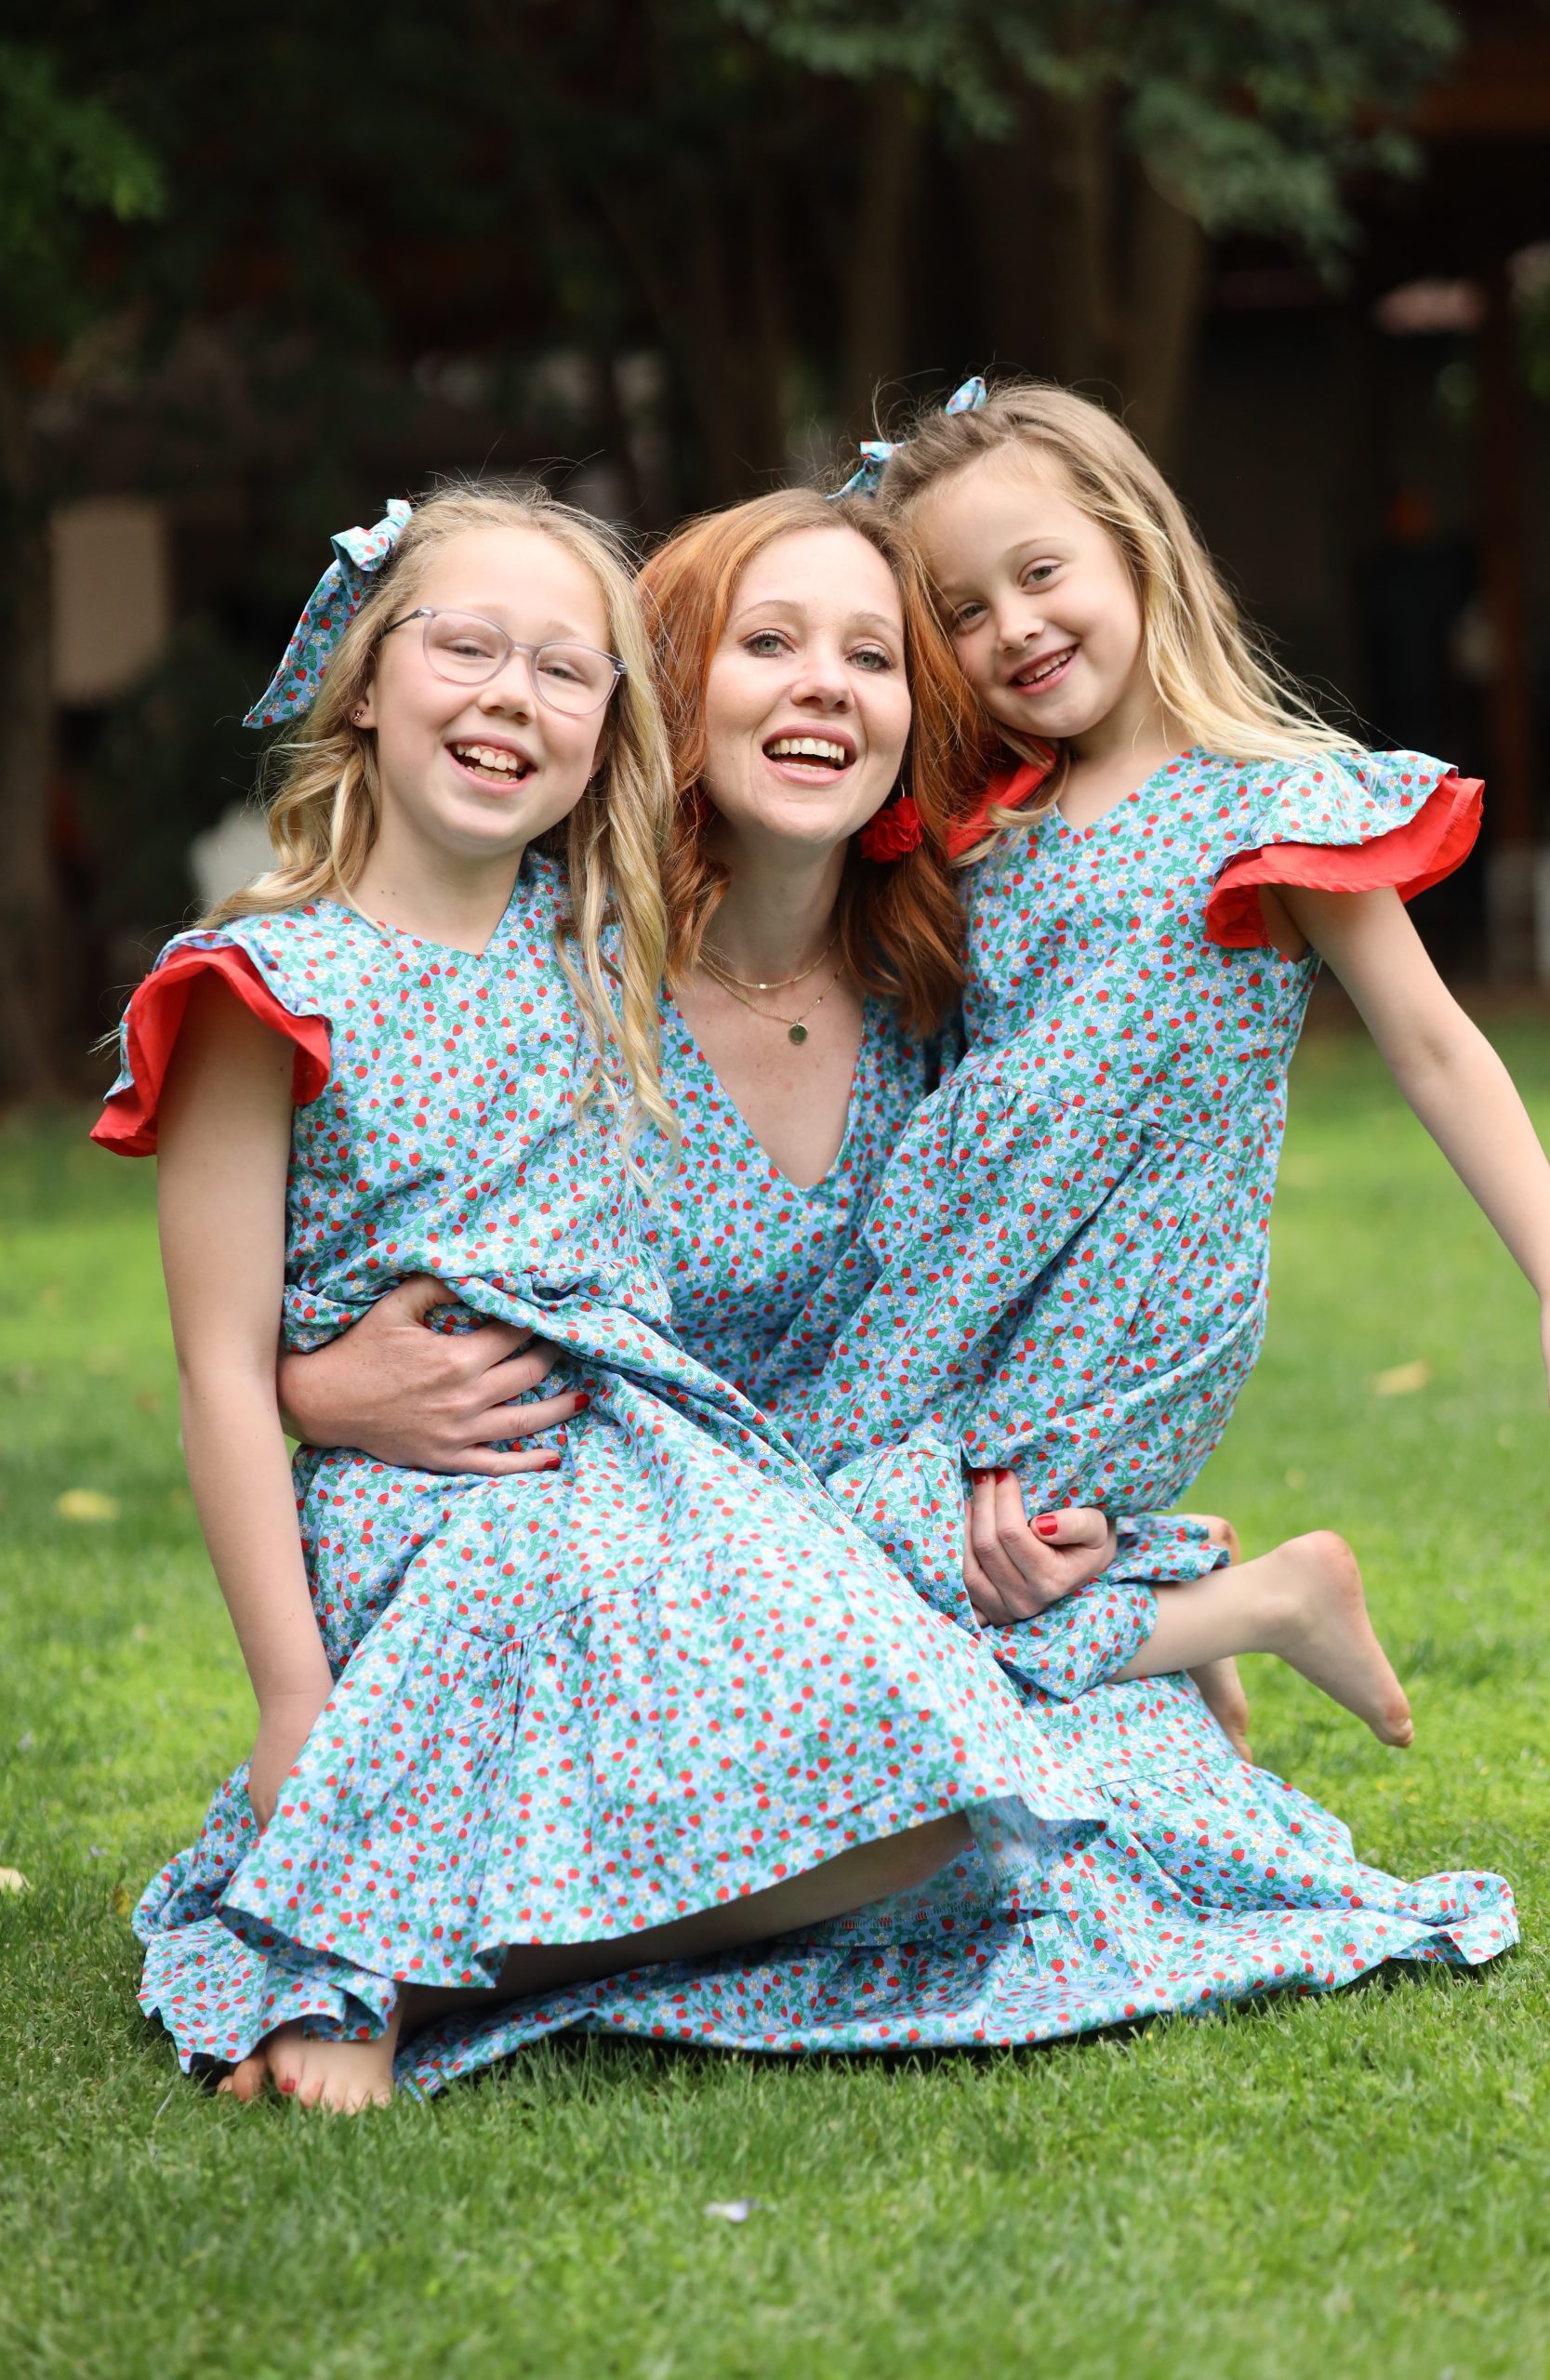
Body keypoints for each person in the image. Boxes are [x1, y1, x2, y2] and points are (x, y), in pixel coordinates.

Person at [275, 488, 1513, 2085]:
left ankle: (1147, 1611)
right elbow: (372, 1216)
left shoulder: (941, 976)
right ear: (673, 683)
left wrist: (1035, 1481)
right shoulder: (551, 948)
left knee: (1051, 1835)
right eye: (769, 643)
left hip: (850, 1516)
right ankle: (1176, 1618)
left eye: (871, 657)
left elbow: (1087, 1169)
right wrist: (316, 1384)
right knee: (946, 1782)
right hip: (604, 1540)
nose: (825, 687)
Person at [95, 483, 1106, 2111]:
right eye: (466, 649)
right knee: (548, 1608)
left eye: (566, 671)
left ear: (611, 734)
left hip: (656, 1476)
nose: (512, 697)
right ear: (364, 683)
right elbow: (219, 1370)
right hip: (445, 1500)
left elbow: (850, 821)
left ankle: (411, 1956)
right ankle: (351, 1953)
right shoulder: (261, 987)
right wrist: (292, 1702)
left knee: (940, 1789)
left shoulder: (593, 943)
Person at [795, 380, 1550, 1653]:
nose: (1015, 627)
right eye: (965, 612)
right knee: (844, 1537)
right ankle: (1189, 1633)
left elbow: (1433, 1047)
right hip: (956, 1269)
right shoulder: (983, 822)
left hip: (1132, 1300)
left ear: (1135, 546)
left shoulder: (1274, 808)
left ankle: (1260, 1606)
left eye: (1042, 573)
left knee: (930, 1574)